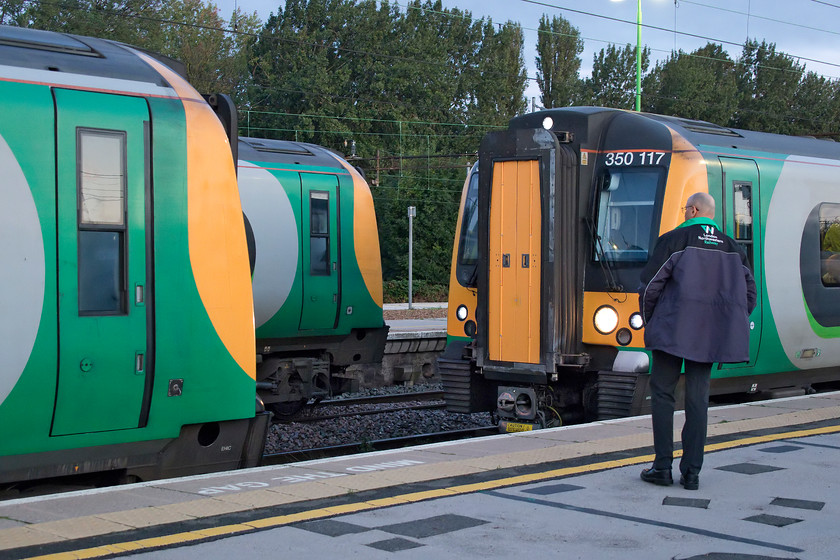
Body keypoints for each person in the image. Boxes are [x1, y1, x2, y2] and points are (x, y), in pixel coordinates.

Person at [637, 192, 756, 490]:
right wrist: (725, 321)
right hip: (709, 336)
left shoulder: (674, 240)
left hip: (672, 331)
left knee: (663, 394)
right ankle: (692, 473)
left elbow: (650, 287)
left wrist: (652, 320)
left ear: (693, 209)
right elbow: (749, 294)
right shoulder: (733, 248)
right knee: (697, 400)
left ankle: (661, 467)